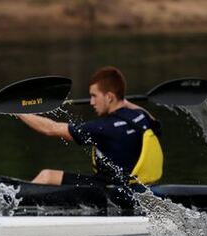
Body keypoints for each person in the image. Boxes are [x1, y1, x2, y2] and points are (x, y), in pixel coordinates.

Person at [16, 66, 163, 186]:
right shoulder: (141, 116)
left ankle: (14, 214)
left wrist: (18, 110)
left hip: (108, 191)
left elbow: (50, 128)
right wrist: (121, 101)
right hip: (134, 186)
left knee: (46, 176)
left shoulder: (102, 128)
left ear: (109, 96)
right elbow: (153, 121)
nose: (92, 102)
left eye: (94, 96)